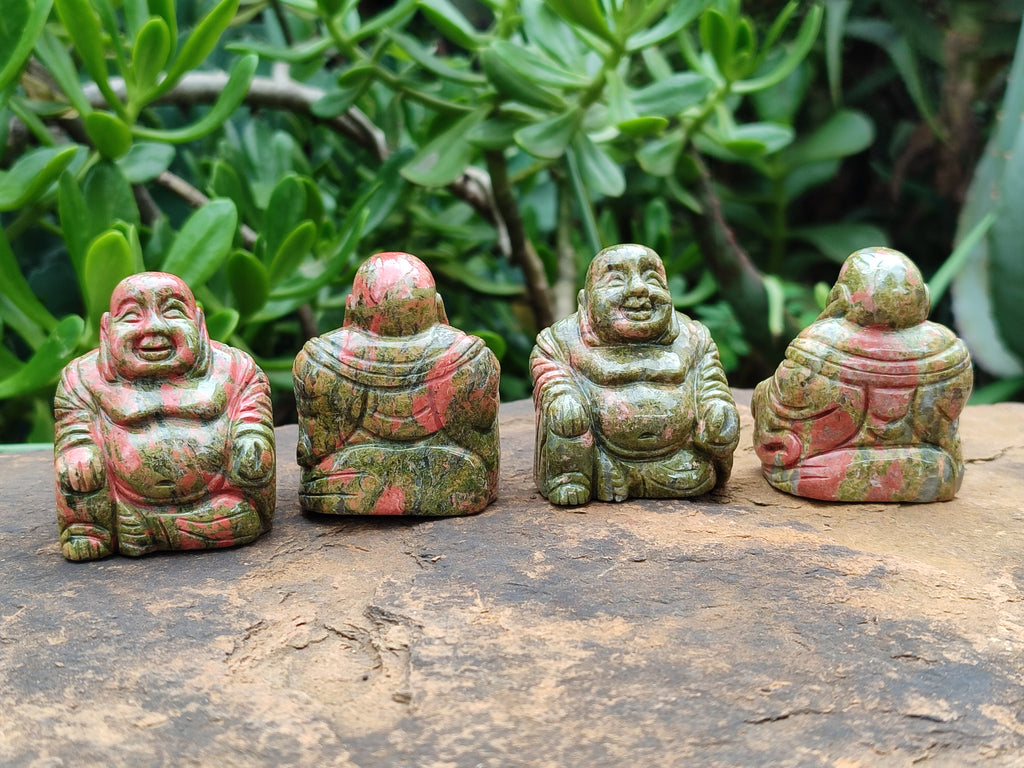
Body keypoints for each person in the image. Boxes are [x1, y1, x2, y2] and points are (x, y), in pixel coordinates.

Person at [54, 272, 275, 560]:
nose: (153, 327)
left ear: (198, 323)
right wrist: (79, 450)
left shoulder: (236, 369)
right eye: (132, 316)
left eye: (172, 311)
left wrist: (251, 438)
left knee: (243, 516)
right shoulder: (82, 378)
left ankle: (153, 530)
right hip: (122, 500)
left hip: (216, 497)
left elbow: (251, 412)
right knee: (78, 470)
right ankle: (93, 530)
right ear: (107, 329)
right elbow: (74, 427)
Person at [752, 247, 973, 502]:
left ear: (841, 296)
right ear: (923, 296)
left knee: (764, 392)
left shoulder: (820, 344)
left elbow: (777, 422)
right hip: (935, 469)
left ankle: (847, 474)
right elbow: (946, 435)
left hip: (817, 467)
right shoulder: (949, 350)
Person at [531, 243, 739, 506]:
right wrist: (562, 396)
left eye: (652, 279)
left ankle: (635, 477)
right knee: (566, 416)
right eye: (616, 280)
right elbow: (548, 367)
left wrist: (716, 410)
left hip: (676, 458)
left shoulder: (694, 337)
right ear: (585, 301)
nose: (639, 288)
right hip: (598, 456)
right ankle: (572, 477)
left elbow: (711, 384)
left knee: (699, 474)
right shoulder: (561, 340)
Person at [293, 252, 500, 516]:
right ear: (438, 306)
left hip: (344, 484)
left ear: (350, 307)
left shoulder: (318, 362)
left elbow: (311, 453)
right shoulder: (472, 358)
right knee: (472, 471)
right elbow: (484, 452)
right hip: (454, 481)